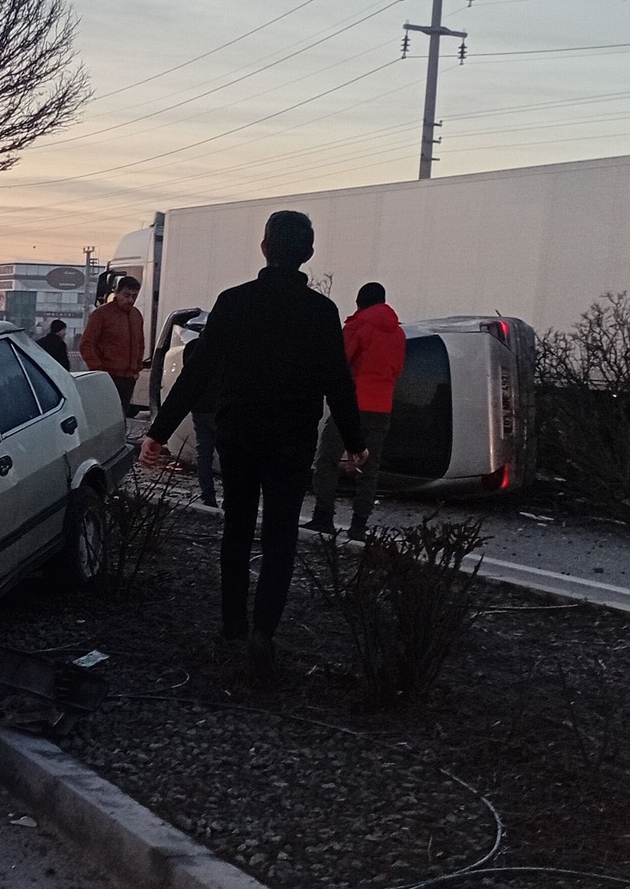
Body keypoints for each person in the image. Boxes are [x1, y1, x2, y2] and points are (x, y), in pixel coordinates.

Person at [142, 210, 368, 679]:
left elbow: (196, 373)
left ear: (264, 248)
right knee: (281, 535)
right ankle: (265, 630)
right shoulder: (321, 313)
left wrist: (158, 431)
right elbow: (338, 384)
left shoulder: (233, 302)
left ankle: (232, 625)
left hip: (239, 436)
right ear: (308, 254)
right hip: (292, 439)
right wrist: (356, 442)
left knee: (238, 528)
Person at [306, 282, 404, 539]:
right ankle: (359, 526)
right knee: (368, 468)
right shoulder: (398, 334)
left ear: (360, 301)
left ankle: (323, 517)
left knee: (326, 460)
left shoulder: (357, 326)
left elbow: (338, 362)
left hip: (351, 406)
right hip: (382, 407)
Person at [79, 275, 147, 413]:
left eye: (134, 296)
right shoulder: (101, 314)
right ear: (117, 292)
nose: (130, 300)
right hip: (108, 375)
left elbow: (140, 343)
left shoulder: (136, 315)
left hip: (128, 378)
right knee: (107, 415)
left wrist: (136, 370)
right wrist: (99, 371)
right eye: (126, 295)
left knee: (120, 417)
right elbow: (86, 344)